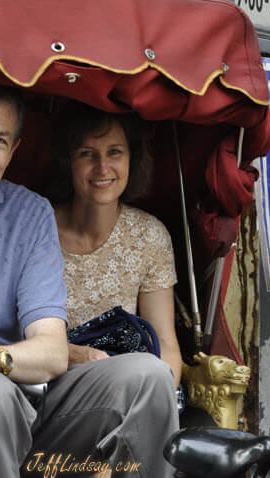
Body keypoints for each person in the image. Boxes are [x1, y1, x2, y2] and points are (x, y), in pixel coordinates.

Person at [0, 78, 176, 478]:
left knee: (148, 375)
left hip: (17, 391)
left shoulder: (26, 214)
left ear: (14, 151)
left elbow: (51, 352)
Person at [48, 101, 182, 385]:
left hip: (124, 384)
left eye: (114, 152)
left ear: (131, 158)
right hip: (45, 377)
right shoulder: (38, 227)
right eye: (87, 154)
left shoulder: (149, 236)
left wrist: (160, 396)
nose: (102, 167)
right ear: (68, 160)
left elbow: (165, 342)